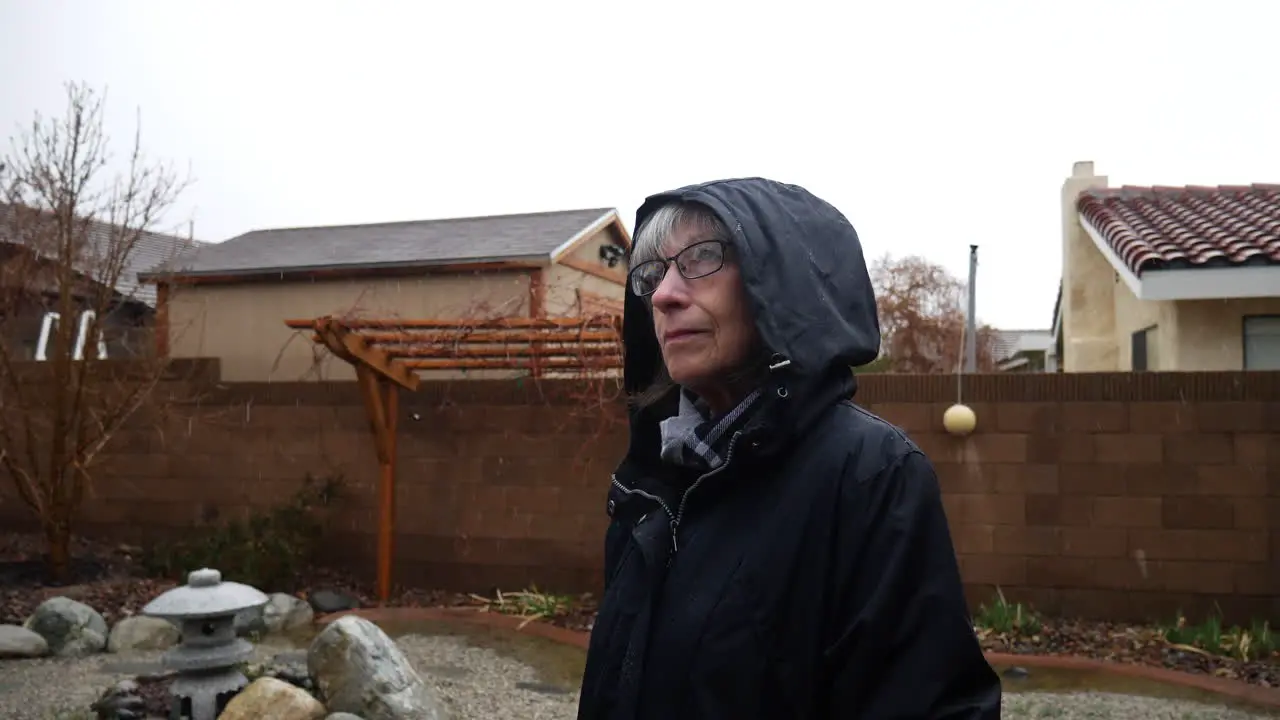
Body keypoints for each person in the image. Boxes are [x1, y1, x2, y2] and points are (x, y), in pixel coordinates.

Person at [576, 178, 1002, 719]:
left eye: (702, 257)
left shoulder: (868, 472)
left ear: (780, 286)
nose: (663, 295)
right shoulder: (652, 480)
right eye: (653, 274)